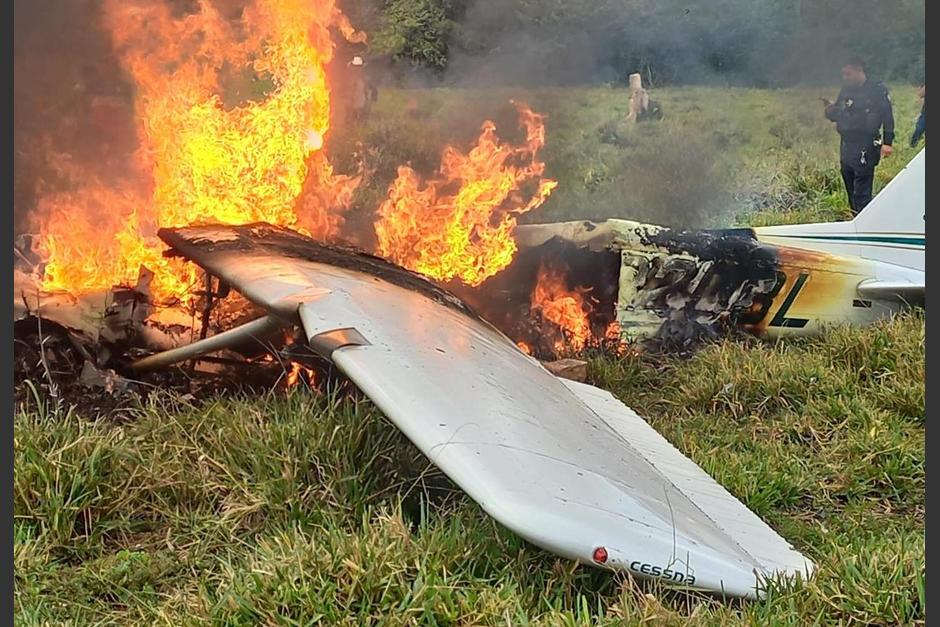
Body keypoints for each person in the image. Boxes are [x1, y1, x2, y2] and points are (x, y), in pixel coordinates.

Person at [824, 57, 895, 215]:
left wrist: (888, 142)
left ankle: (864, 218)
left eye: (848, 74)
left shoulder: (876, 91)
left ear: (859, 71)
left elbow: (887, 117)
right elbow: (839, 112)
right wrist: (830, 111)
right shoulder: (845, 90)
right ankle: (855, 215)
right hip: (846, 144)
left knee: (862, 189)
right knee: (848, 180)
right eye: (843, 74)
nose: (845, 77)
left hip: (866, 143)